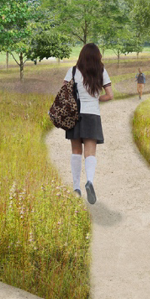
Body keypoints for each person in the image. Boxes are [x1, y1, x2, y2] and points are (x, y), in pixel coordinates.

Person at [64, 43, 112, 205]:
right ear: (97, 56)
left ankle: (76, 187)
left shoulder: (72, 71)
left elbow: (65, 93)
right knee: (90, 153)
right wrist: (96, 99)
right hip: (92, 115)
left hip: (75, 116)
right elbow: (110, 95)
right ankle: (89, 181)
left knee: (76, 151)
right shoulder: (101, 71)